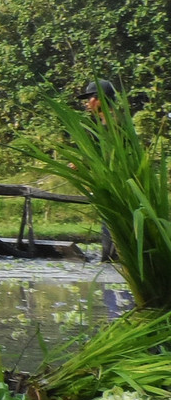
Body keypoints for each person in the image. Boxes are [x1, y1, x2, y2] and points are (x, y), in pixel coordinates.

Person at [79, 78, 119, 262]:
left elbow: (108, 156)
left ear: (100, 99)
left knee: (111, 227)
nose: (87, 103)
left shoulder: (111, 125)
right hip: (108, 186)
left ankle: (111, 258)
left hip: (113, 188)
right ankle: (110, 258)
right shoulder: (105, 122)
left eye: (90, 99)